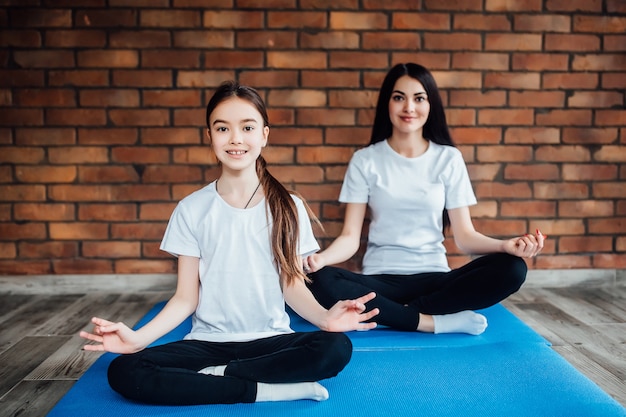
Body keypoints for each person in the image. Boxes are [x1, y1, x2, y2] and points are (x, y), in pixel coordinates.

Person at [79, 81, 379, 406]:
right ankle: (263, 389)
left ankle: (218, 377)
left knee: (335, 348)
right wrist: (137, 340)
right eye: (223, 128)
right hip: (208, 342)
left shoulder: (288, 206)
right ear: (209, 136)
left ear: (264, 134)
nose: (235, 138)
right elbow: (185, 298)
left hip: (271, 340)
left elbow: (291, 285)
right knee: (124, 370)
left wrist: (324, 318)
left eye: (247, 127)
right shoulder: (191, 209)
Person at [304, 63, 545, 336]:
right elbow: (349, 237)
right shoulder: (365, 160)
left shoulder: (448, 159)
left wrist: (506, 246)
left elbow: (465, 237)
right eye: (399, 98)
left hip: (435, 280)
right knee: (318, 278)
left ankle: (395, 314)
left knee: (512, 268)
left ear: (431, 105)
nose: (409, 107)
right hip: (381, 281)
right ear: (387, 103)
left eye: (419, 98)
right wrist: (321, 259)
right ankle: (432, 321)